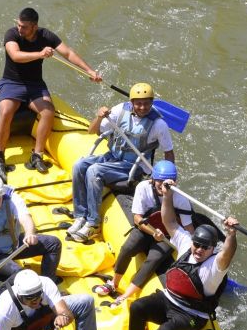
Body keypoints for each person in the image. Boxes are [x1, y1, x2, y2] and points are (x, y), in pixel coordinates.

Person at [117, 178, 239, 330]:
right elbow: (170, 221)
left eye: (204, 247)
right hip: (168, 299)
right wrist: (167, 195)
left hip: (191, 314)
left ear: (212, 249)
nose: (198, 250)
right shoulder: (185, 244)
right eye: (196, 244)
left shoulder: (215, 266)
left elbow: (228, 253)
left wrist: (231, 234)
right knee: (137, 307)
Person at [0, 7, 101, 177]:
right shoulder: (12, 34)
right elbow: (15, 55)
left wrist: (90, 71)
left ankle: (37, 155)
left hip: (35, 84)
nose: (19, 29)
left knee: (48, 111)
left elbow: (68, 53)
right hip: (12, 82)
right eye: (19, 25)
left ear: (34, 27)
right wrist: (40, 53)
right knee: (6, 110)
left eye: (24, 27)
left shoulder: (46, 36)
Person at [67, 82, 174, 243]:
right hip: (113, 157)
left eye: (147, 103)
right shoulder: (119, 110)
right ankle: (80, 216)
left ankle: (92, 223)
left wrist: (168, 177)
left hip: (133, 167)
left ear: (152, 102)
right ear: (131, 102)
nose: (143, 107)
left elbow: (169, 152)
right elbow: (92, 131)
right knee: (79, 166)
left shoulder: (159, 125)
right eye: (138, 103)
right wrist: (99, 116)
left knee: (94, 171)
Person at [93, 160, 194, 304]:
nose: (163, 185)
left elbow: (189, 228)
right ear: (153, 179)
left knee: (153, 260)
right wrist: (153, 233)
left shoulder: (181, 199)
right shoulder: (143, 188)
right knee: (128, 248)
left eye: (168, 182)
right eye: (159, 181)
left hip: (167, 236)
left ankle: (126, 295)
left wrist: (192, 248)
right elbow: (137, 218)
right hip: (147, 229)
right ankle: (113, 283)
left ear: (174, 182)